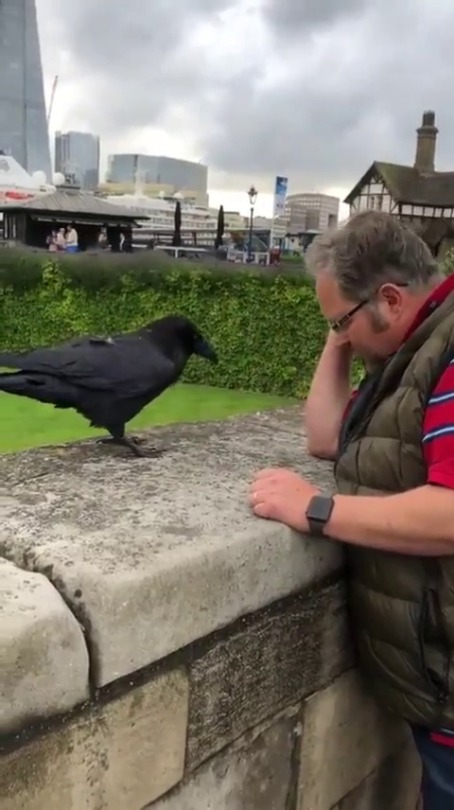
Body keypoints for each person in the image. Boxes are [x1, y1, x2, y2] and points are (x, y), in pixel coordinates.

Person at [248, 210, 454, 809]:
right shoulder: (414, 350)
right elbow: (327, 436)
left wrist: (318, 510)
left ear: (389, 298)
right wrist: (340, 333)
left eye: (342, 322)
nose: (341, 337)